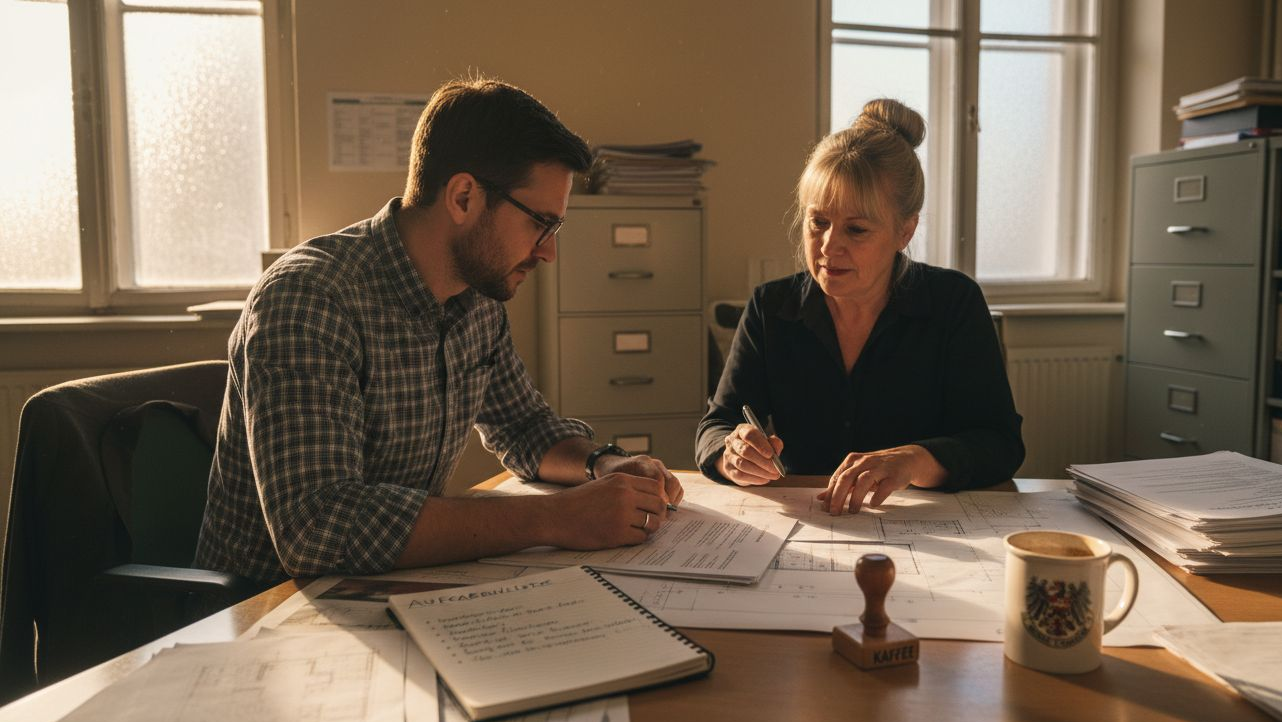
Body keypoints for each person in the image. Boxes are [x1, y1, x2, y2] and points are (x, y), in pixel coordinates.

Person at [197, 78, 683, 585]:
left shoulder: (475, 297)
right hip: (270, 614)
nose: (547, 252)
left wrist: (602, 466)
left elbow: (523, 427)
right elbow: (319, 528)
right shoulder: (310, 298)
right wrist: (555, 518)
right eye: (540, 223)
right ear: (464, 197)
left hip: (385, 590)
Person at [695, 98, 1023, 514]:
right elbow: (716, 425)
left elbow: (1000, 443)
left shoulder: (953, 302)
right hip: (806, 524)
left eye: (857, 229)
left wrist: (915, 460)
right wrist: (732, 453)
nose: (830, 246)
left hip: (923, 526)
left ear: (905, 231)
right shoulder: (770, 307)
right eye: (818, 222)